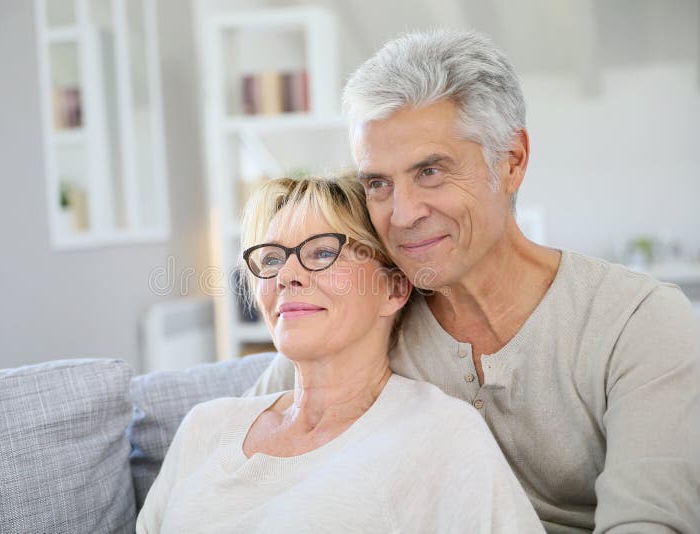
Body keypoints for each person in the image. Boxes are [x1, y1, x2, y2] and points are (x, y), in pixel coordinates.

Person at [248, 30, 700, 533]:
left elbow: (651, 523)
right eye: (378, 183)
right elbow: (251, 432)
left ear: (511, 162)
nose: (402, 214)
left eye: (431, 172)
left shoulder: (637, 322)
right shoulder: (374, 316)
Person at [137, 176, 544, 533]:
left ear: (394, 289)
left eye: (320, 252)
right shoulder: (205, 426)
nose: (286, 275)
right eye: (272, 258)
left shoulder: (438, 434)